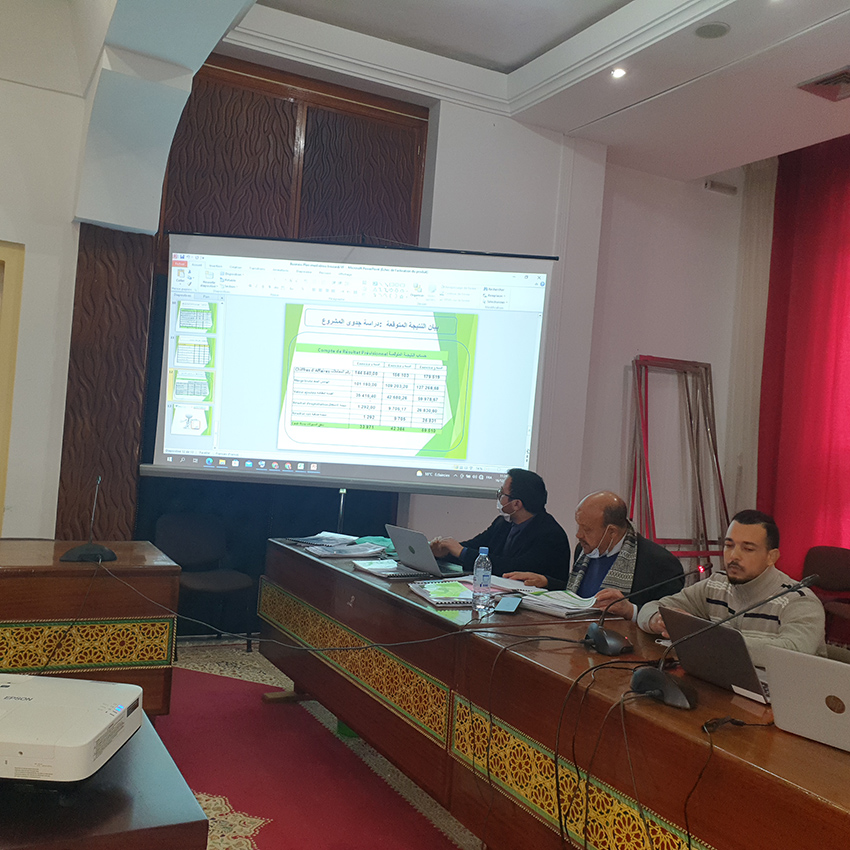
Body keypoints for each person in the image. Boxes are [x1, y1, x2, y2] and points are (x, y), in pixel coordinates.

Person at [637, 509, 826, 666]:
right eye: (729, 545)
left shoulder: (799, 600)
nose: (733, 556)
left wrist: (709, 639)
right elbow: (652, 607)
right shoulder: (716, 584)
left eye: (748, 549)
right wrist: (656, 620)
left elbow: (794, 652)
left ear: (771, 557)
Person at [506, 491, 684, 619]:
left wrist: (631, 610)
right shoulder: (584, 550)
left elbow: (668, 618)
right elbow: (582, 598)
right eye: (579, 526)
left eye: (587, 529)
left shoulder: (660, 563)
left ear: (612, 532)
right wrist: (546, 582)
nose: (578, 535)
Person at [428, 469, 570, 584]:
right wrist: (445, 551)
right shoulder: (503, 523)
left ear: (516, 504)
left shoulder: (550, 535)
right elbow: (476, 546)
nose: (499, 498)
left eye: (502, 494)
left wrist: (461, 552)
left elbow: (511, 567)